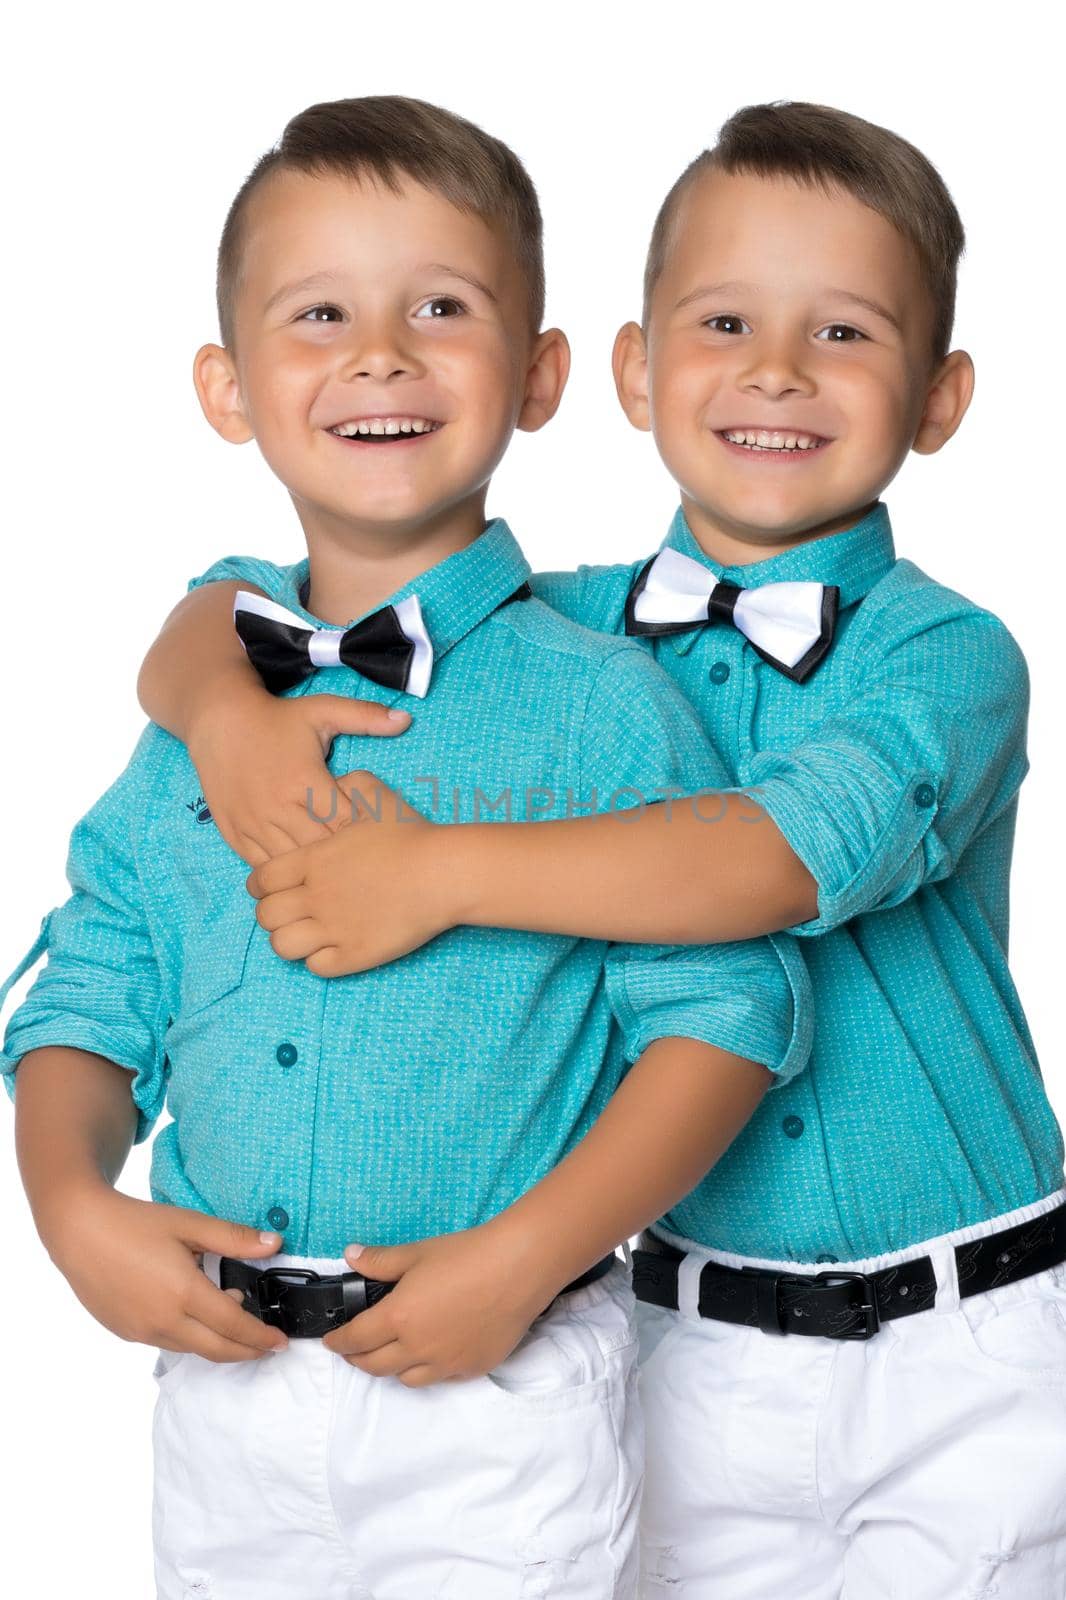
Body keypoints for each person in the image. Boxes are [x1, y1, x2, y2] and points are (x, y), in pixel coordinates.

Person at [141, 102, 1066, 1596]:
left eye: (843, 334)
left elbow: (768, 860)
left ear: (939, 396)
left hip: (967, 1343)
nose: (774, 372)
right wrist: (217, 707)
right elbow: (245, 607)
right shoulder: (554, 633)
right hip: (672, 1334)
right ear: (633, 372)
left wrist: (436, 874)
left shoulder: (948, 658)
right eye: (722, 323)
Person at [0, 96, 812, 1600]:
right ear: (227, 387)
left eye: (441, 306)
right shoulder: (200, 705)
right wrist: (66, 1208)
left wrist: (521, 1260)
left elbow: (727, 1016)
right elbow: (89, 981)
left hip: (502, 1393)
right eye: (319, 314)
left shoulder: (602, 706)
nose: (379, 352)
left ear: (542, 372)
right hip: (221, 1399)